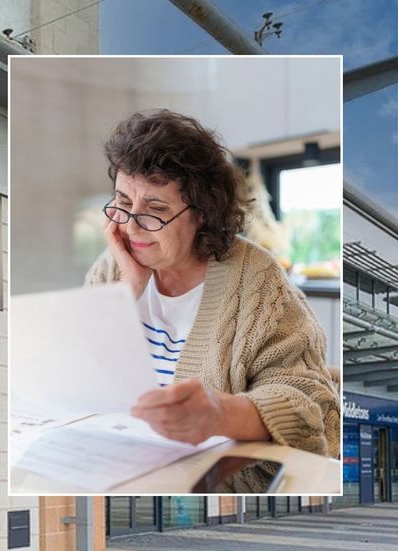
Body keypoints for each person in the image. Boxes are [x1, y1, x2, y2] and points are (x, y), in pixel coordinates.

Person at [85, 109, 339, 492]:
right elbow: (75, 377)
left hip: (216, 491)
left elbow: (314, 408)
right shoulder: (112, 267)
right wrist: (125, 294)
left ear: (201, 214)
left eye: (156, 210)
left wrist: (221, 413)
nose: (131, 225)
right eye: (122, 202)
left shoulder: (256, 280)